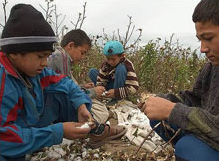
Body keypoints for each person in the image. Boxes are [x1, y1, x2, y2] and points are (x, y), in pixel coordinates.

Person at [0, 4, 126, 161]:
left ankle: (95, 131)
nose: (45, 63)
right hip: (10, 140)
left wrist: (81, 105)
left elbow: (65, 84)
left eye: (47, 56)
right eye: (40, 56)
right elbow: (3, 139)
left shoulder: (37, 72)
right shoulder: (4, 82)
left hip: (29, 125)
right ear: (14, 53)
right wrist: (56, 132)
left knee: (63, 94)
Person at [140, 0, 219, 161]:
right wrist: (164, 101)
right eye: (200, 40)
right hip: (215, 139)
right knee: (158, 116)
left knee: (189, 147)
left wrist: (172, 110)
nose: (203, 48)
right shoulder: (212, 68)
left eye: (209, 38)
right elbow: (194, 100)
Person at [47, 29, 109, 123]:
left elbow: (63, 84)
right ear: (70, 45)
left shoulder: (59, 55)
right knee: (101, 112)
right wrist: (92, 92)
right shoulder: (62, 57)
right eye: (82, 52)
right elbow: (66, 93)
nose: (82, 57)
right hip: (55, 106)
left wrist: (82, 87)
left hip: (53, 102)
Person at [89, 40, 139, 105]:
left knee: (120, 69)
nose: (110, 62)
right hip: (110, 85)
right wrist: (100, 89)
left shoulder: (127, 65)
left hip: (121, 88)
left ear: (122, 56)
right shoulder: (105, 65)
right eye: (108, 59)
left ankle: (117, 99)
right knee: (92, 72)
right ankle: (106, 95)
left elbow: (134, 87)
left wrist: (116, 92)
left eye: (113, 59)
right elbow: (101, 80)